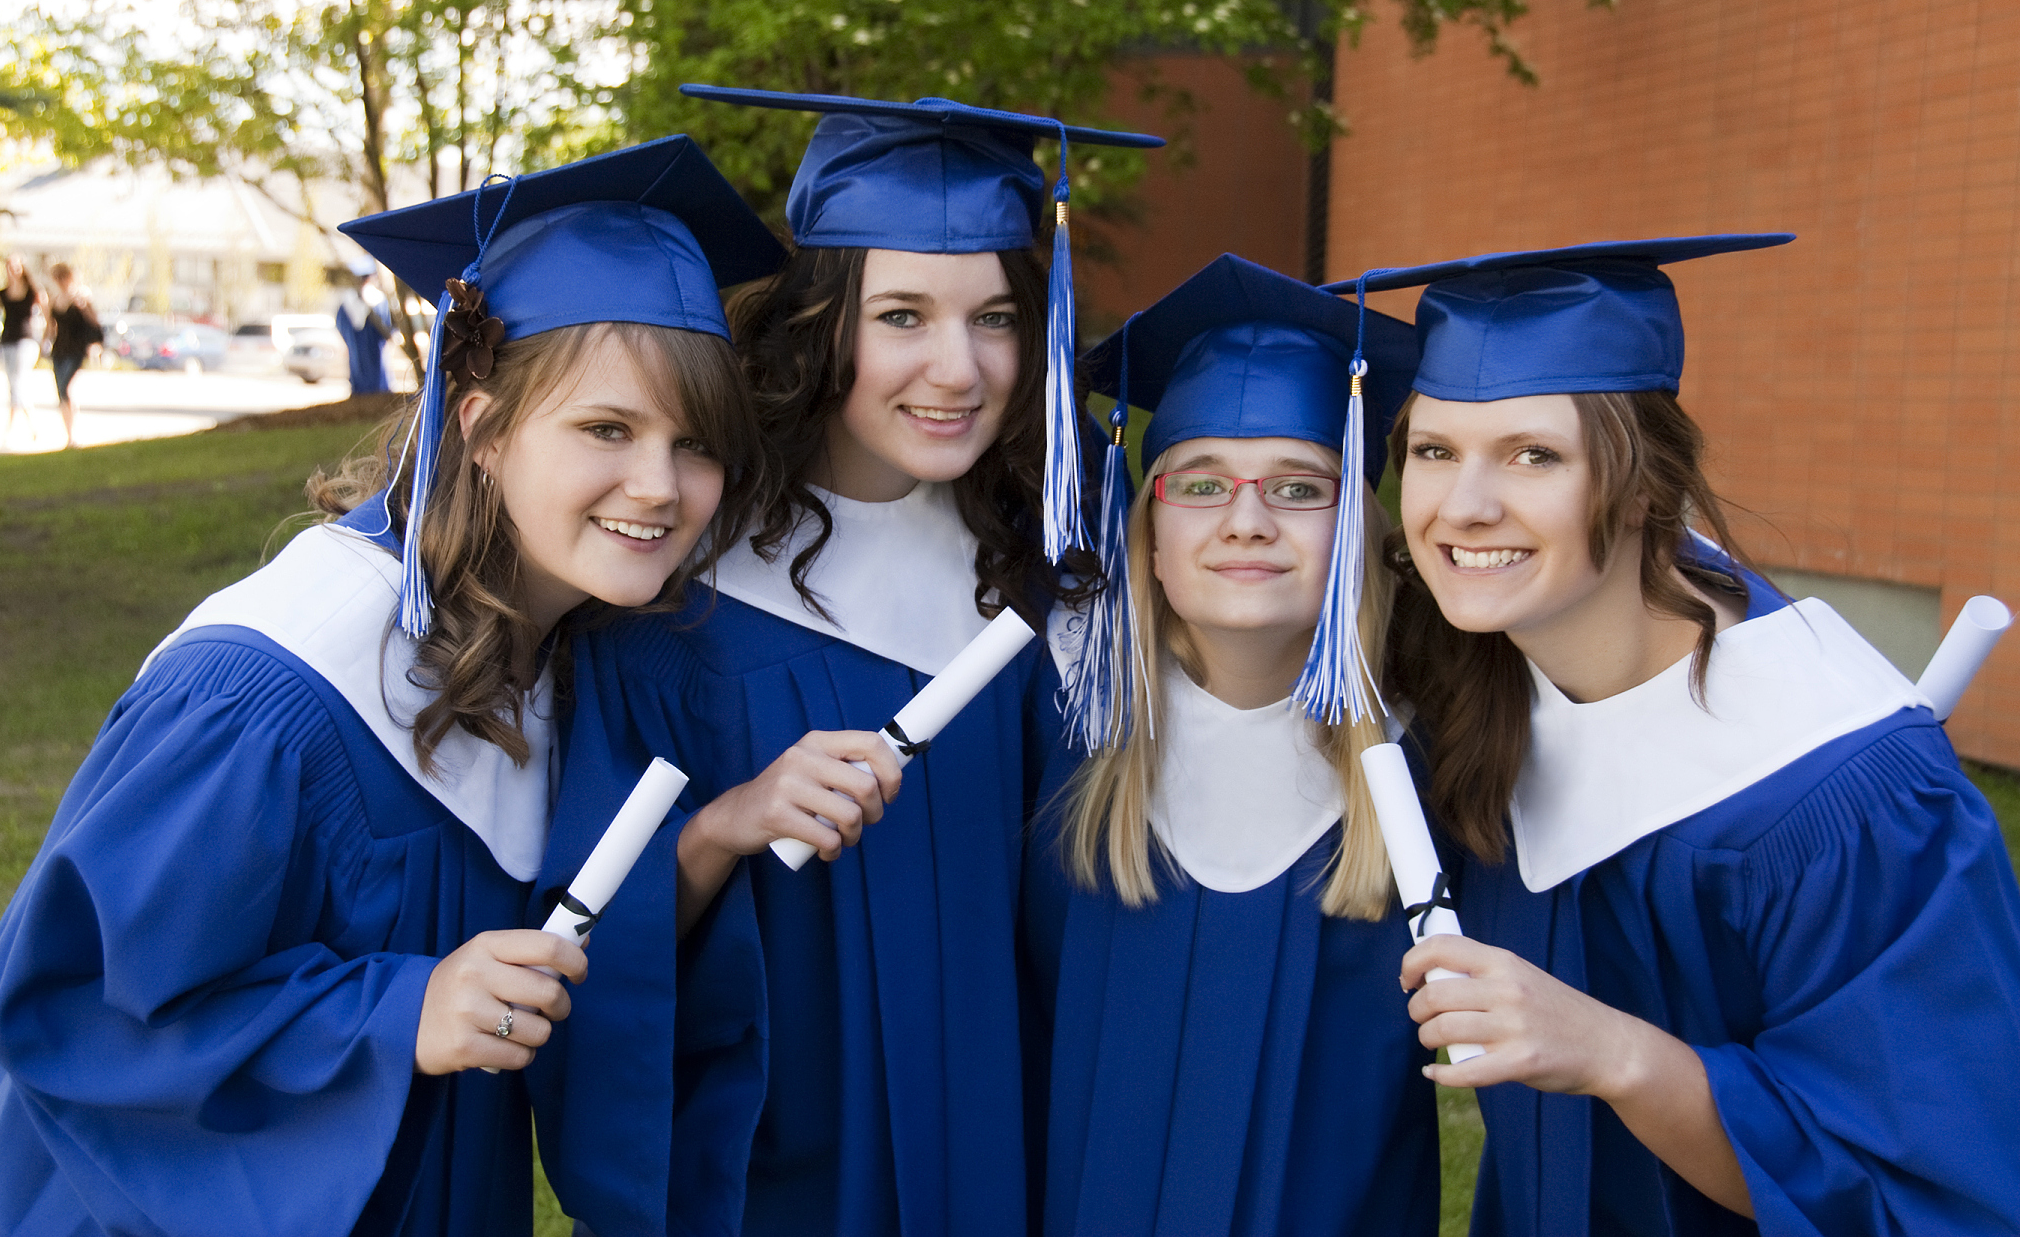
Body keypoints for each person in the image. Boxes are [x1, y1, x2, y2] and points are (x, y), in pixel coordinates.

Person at [0, 137, 785, 1237]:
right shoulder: (267, 695)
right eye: (606, 428)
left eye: (696, 445)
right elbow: (71, 1004)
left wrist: (718, 834)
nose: (659, 487)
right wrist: (400, 1011)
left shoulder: (568, 654)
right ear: (483, 431)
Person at [530, 88, 1162, 1237]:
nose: (958, 367)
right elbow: (575, 938)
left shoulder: (1048, 579)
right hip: (770, 1168)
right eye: (904, 315)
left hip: (996, 1150)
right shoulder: (678, 588)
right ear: (828, 323)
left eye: (995, 318)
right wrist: (724, 824)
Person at [1327, 236, 2020, 1236]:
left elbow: (1928, 1197)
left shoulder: (1845, 801)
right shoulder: (1485, 684)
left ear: (1645, 485)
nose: (1463, 506)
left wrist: (1619, 1057)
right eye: (1433, 451)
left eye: (1533, 455)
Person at [1024, 253, 1436, 1236]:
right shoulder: (1061, 735)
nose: (1246, 522)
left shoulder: (1439, 768)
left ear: (1358, 529)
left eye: (1299, 489)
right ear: (1148, 535)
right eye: (1200, 485)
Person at [0, 255, 43, 447]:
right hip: (7, 342)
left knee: (18, 383)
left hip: (26, 341)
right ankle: (32, 427)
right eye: (10, 267)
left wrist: (48, 336)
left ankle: (11, 430)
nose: (13, 271)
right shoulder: (1, 293)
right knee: (15, 385)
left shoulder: (32, 291)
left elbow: (47, 313)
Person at [46, 263, 104, 448]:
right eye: (58, 277)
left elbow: (95, 323)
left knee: (67, 387)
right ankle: (69, 434)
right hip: (60, 348)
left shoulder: (82, 295)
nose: (61, 281)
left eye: (64, 276)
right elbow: (51, 326)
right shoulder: (54, 299)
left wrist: (83, 306)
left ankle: (73, 434)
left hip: (76, 349)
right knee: (61, 392)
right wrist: (42, 343)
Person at [339, 260, 396, 395]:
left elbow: (340, 325)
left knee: (360, 371)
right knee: (377, 374)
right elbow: (389, 325)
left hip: (359, 348)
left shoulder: (347, 302)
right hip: (372, 348)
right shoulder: (378, 300)